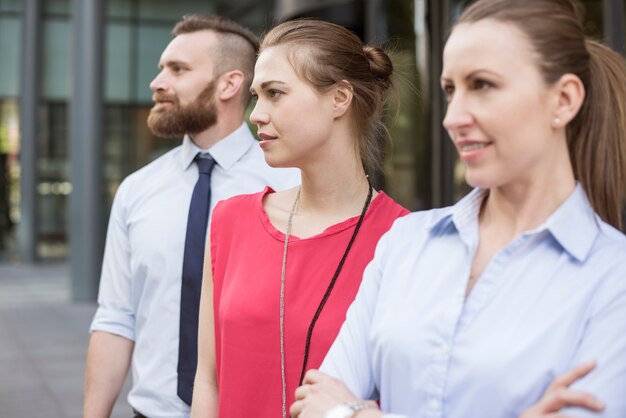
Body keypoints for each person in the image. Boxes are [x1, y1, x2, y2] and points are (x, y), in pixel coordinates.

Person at [290, 0, 626, 417]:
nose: (453, 118)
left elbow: (333, 406)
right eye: (450, 90)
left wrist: (355, 413)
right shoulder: (405, 243)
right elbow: (311, 406)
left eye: (482, 85)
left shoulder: (614, 279)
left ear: (563, 99)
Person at [190, 19, 409, 418]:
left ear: (340, 98)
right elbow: (208, 378)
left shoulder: (405, 239)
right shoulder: (230, 220)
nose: (256, 114)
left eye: (275, 94)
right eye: (257, 96)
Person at [83, 14, 299, 418]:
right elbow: (116, 318)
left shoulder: (290, 185)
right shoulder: (136, 191)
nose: (157, 82)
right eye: (162, 68)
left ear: (229, 84)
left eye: (177, 69)